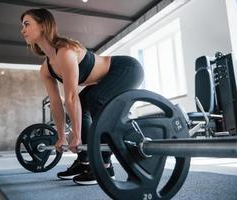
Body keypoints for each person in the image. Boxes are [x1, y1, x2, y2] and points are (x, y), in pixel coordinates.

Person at [20, 8, 144, 185]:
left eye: (27, 24)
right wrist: (61, 136)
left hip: (127, 69)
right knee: (86, 102)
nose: (22, 30)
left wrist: (76, 136)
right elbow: (56, 103)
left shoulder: (65, 51)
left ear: (42, 25)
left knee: (94, 98)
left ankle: (105, 164)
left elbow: (71, 97)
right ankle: (84, 160)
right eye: (22, 26)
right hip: (107, 79)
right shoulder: (46, 69)